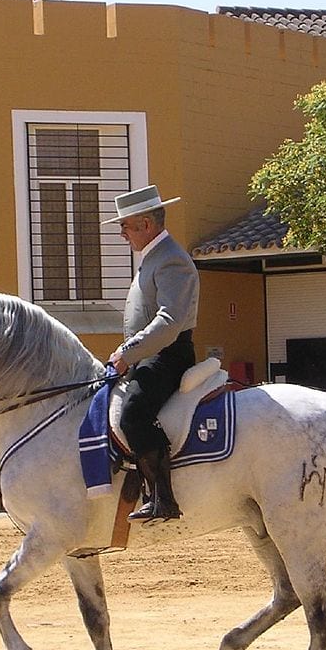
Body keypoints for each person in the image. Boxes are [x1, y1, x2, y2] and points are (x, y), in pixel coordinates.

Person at [104, 185, 199, 522]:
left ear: (145, 224)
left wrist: (128, 353)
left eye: (124, 226)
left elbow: (169, 322)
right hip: (149, 355)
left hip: (168, 354)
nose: (121, 234)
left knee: (133, 413)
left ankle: (164, 499)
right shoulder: (155, 258)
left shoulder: (172, 259)